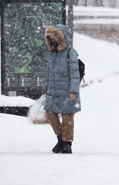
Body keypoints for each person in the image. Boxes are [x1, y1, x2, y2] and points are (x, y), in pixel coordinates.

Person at [42, 24, 81, 154]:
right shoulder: (53, 54)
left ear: (61, 38)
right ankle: (60, 139)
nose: (52, 41)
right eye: (50, 39)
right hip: (53, 92)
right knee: (50, 114)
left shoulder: (71, 52)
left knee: (67, 118)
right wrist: (45, 88)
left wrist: (73, 91)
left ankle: (67, 144)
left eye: (54, 38)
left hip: (68, 91)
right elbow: (49, 74)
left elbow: (75, 74)